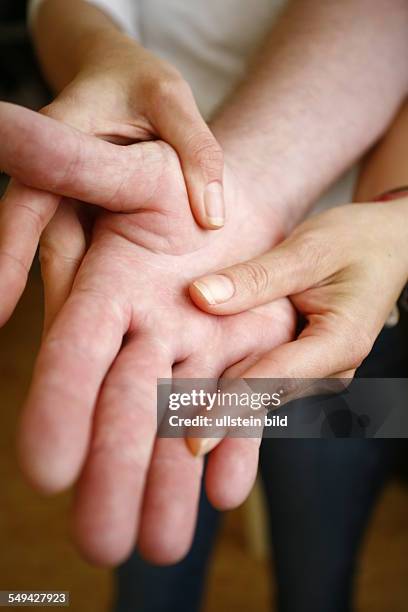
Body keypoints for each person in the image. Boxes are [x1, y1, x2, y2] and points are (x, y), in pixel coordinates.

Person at [0, 0, 406, 610]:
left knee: (320, 568)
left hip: (354, 311)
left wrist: (394, 215)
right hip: (157, 296)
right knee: (152, 562)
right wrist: (103, 55)